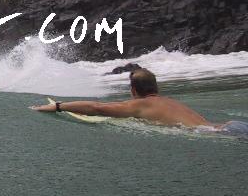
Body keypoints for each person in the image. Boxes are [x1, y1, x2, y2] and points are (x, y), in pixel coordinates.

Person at [32, 68, 248, 134]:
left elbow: (95, 108)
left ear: (133, 90)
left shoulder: (139, 105)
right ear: (156, 88)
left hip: (222, 134)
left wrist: (57, 106)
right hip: (232, 126)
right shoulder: (170, 102)